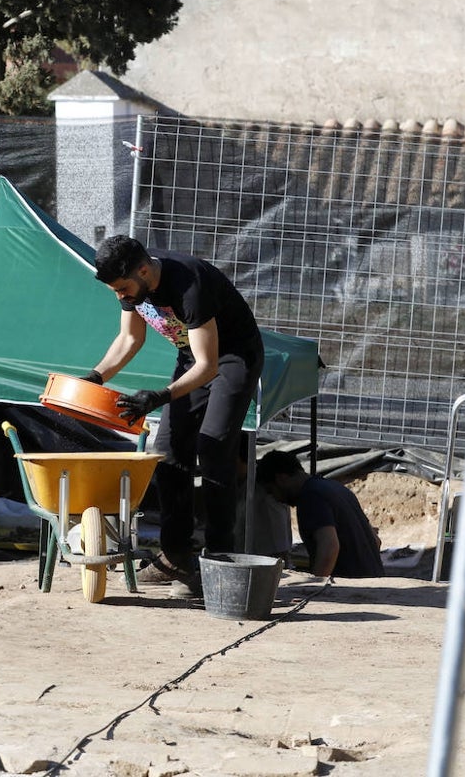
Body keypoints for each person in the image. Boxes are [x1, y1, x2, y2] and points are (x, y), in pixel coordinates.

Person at [84, 235, 265, 597]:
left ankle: (218, 561)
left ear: (144, 270)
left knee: (213, 447)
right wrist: (95, 377)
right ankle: (176, 556)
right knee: (168, 450)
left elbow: (209, 365)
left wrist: (160, 396)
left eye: (123, 288)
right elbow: (128, 340)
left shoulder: (189, 285)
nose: (121, 297)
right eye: (114, 292)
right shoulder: (132, 287)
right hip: (192, 359)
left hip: (233, 359)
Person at [255, 450, 384, 578]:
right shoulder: (337, 488)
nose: (276, 498)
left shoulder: (310, 497)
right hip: (374, 583)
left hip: (349, 590)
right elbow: (375, 541)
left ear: (281, 479)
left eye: (271, 491)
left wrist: (314, 586)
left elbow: (330, 547)